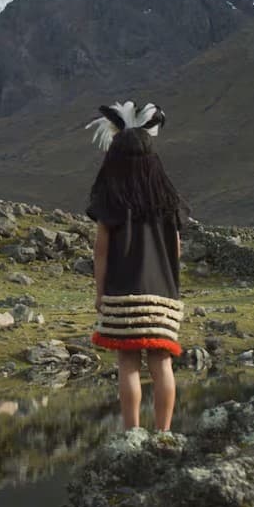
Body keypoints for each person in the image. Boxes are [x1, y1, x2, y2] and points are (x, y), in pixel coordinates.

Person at [85, 100, 187, 431]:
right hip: (162, 293)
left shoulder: (109, 200)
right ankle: (164, 433)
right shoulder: (166, 202)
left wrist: (100, 293)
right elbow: (176, 248)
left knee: (127, 363)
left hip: (122, 292)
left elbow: (101, 252)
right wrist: (171, 284)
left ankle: (131, 434)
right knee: (162, 363)